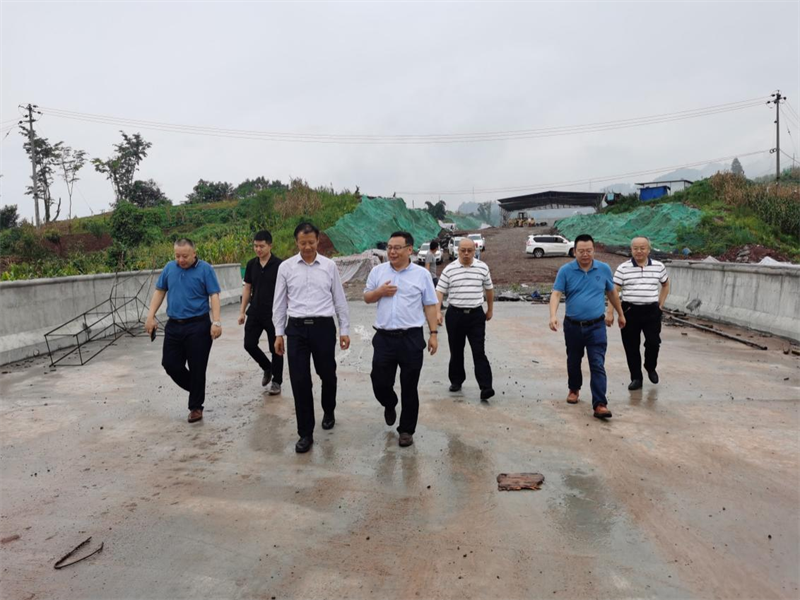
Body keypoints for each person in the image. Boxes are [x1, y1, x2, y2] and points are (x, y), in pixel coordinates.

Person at [272, 222, 350, 453]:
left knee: (328, 374)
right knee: (300, 381)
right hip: (296, 329)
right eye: (302, 243)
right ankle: (305, 433)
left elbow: (339, 299)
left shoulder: (329, 266)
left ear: (318, 241)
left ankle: (329, 409)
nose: (307, 247)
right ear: (296, 242)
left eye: (311, 242)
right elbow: (279, 303)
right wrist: (278, 333)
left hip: (323, 327)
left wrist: (344, 329)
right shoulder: (286, 268)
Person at [364, 231, 439, 447]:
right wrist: (380, 292)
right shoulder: (378, 271)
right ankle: (389, 402)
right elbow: (367, 297)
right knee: (379, 381)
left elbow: (430, 305)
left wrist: (433, 334)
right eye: (389, 247)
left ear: (409, 250)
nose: (392, 252)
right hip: (384, 338)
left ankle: (406, 429)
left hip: (411, 338)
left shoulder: (421, 275)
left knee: (409, 386)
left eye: (397, 248)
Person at [145, 238, 222, 424]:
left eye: (185, 256)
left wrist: (216, 322)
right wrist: (150, 316)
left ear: (194, 253)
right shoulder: (169, 268)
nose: (181, 260)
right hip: (174, 325)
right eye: (177, 256)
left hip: (198, 325)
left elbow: (214, 295)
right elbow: (160, 291)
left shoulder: (205, 269)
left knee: (197, 367)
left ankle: (195, 407)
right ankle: (196, 389)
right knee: (170, 364)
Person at [549, 234, 625, 420]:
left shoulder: (603, 269)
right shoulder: (566, 271)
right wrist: (553, 315)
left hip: (596, 326)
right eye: (581, 251)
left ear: (594, 250)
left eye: (589, 251)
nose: (585, 254)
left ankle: (600, 404)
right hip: (573, 326)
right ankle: (574, 388)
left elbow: (612, 293)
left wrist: (620, 313)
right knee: (574, 360)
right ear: (574, 251)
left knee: (597, 363)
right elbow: (556, 294)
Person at [435, 237, 495, 401]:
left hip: (476, 315)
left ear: (475, 251)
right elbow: (439, 291)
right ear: (457, 251)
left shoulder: (482, 268)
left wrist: (490, 309)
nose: (466, 253)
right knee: (456, 350)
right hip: (455, 315)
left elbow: (489, 289)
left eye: (470, 250)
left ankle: (486, 387)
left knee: (479, 351)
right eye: (463, 250)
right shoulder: (449, 269)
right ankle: (456, 380)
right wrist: (438, 312)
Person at [607, 236, 670, 390]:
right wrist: (610, 312)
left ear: (648, 250)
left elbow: (665, 284)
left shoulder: (659, 267)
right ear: (631, 250)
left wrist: (660, 304)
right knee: (631, 346)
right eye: (635, 248)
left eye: (642, 248)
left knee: (653, 342)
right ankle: (636, 378)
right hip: (630, 310)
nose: (639, 251)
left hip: (651, 311)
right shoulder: (623, 268)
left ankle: (650, 366)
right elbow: (614, 291)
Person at [238, 230, 283, 395]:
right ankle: (267, 367)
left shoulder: (280, 265)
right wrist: (242, 311)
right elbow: (247, 288)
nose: (258, 249)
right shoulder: (251, 264)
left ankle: (277, 381)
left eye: (261, 246)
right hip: (255, 311)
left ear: (270, 245)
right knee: (249, 344)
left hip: (273, 313)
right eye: (255, 246)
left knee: (276, 348)